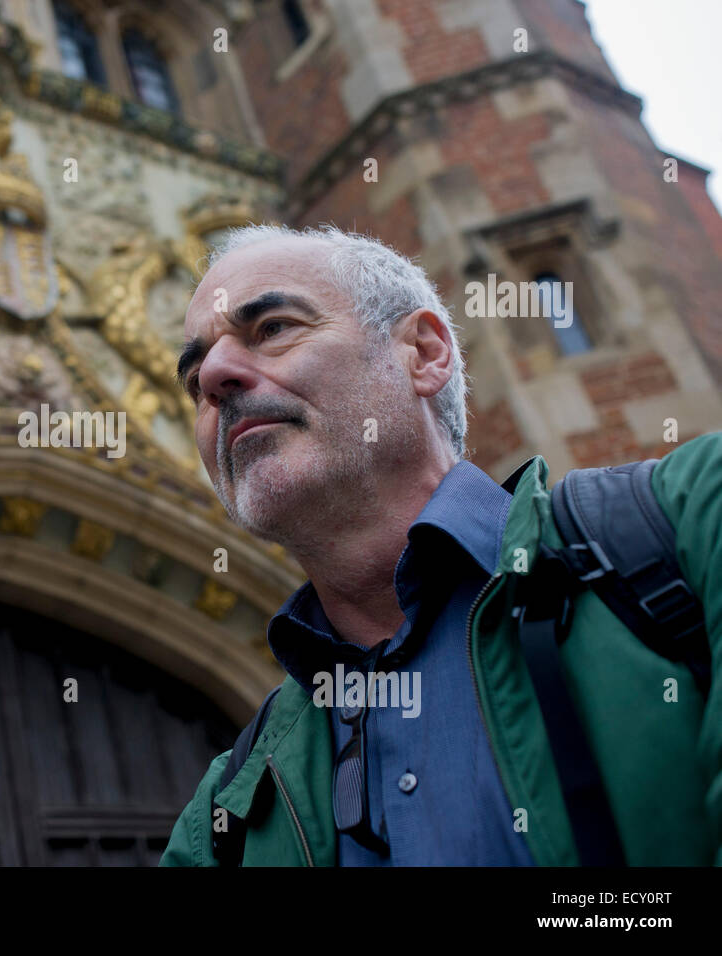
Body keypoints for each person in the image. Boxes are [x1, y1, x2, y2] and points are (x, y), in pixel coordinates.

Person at [159, 224, 720, 866]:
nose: (216, 378)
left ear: (424, 353)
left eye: (273, 328)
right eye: (195, 371)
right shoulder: (220, 820)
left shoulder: (689, 523)